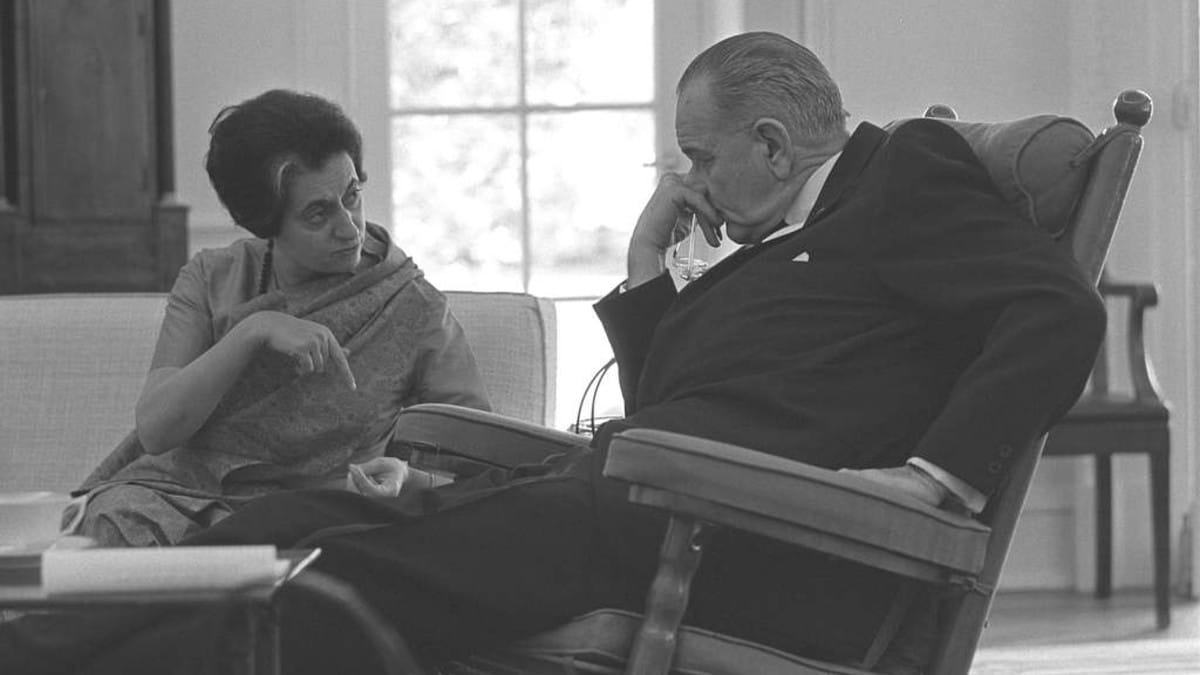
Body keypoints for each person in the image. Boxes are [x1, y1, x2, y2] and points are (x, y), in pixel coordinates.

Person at [0, 32, 1104, 674]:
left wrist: (929, 480)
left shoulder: (903, 171)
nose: (691, 183)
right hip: (633, 498)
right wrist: (643, 262)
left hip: (731, 540)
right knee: (277, 525)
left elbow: (1058, 313)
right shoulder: (786, 247)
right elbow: (681, 398)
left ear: (772, 145)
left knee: (323, 586)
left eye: (699, 157)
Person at [69, 89, 491, 547]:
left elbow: (479, 462)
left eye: (352, 197)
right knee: (114, 522)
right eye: (317, 214)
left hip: (319, 515)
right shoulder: (212, 279)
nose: (349, 228)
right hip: (186, 499)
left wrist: (409, 478)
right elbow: (157, 431)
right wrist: (252, 332)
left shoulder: (411, 304)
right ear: (265, 223)